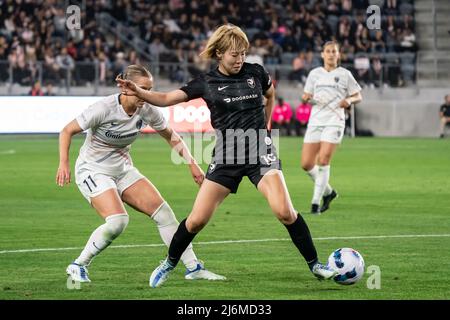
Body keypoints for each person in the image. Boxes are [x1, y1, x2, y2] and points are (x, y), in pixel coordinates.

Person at [117, 25, 338, 288]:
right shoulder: (206, 82)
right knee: (197, 219)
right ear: (219, 53)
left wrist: (266, 128)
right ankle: (169, 263)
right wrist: (139, 92)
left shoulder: (256, 72)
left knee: (285, 212)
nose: (240, 59)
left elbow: (270, 94)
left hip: (260, 153)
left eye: (243, 53)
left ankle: (316, 265)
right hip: (227, 156)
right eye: (234, 54)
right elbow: (166, 98)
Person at [56, 64, 225, 284]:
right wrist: (64, 163)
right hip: (92, 169)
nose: (147, 93)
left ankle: (193, 268)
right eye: (142, 88)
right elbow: (67, 130)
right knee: (118, 221)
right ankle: (78, 264)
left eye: (150, 88)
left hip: (123, 170)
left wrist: (192, 164)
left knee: (164, 214)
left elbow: (171, 136)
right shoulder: (104, 108)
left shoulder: (147, 108)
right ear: (126, 88)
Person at [300, 41, 363, 215]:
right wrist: (306, 97)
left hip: (335, 121)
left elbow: (358, 95)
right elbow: (307, 95)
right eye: (327, 51)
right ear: (322, 54)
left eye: (334, 51)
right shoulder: (315, 74)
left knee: (324, 159)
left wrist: (349, 101)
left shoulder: (345, 74)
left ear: (338, 55)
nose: (330, 54)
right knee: (306, 164)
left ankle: (315, 204)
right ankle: (329, 192)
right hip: (315, 120)